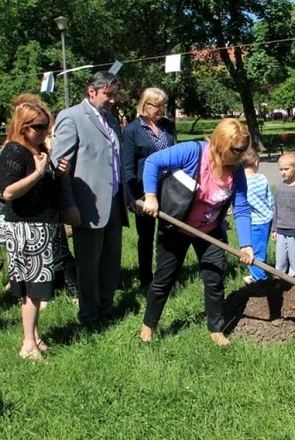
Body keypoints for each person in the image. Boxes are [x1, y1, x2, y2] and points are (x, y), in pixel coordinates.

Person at [139, 118, 254, 347]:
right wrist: (150, 196)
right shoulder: (192, 152)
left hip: (210, 231)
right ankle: (147, 327)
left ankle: (216, 329)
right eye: (236, 150)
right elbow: (153, 162)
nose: (239, 156)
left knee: (214, 279)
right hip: (176, 226)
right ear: (221, 144)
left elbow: (241, 206)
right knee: (164, 279)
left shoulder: (237, 170)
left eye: (243, 151)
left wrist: (246, 244)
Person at [52, 72, 129, 328]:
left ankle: (105, 307)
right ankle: (89, 315)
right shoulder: (72, 117)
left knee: (110, 261)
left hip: (114, 203)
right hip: (87, 206)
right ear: (91, 91)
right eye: (108, 94)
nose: (112, 100)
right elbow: (60, 167)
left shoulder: (111, 120)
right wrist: (69, 204)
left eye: (114, 95)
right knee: (88, 266)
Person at [0, 100, 70, 360]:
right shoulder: (14, 152)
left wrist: (57, 173)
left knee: (38, 288)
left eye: (46, 127)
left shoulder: (38, 150)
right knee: (32, 289)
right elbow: (8, 191)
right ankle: (28, 344)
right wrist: (39, 173)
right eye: (39, 127)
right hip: (26, 228)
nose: (44, 132)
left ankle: (35, 336)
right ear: (24, 127)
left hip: (43, 226)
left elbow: (45, 186)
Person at [122, 87, 176, 291]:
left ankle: (166, 275)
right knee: (145, 237)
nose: (162, 110)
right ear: (145, 105)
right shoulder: (132, 131)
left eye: (164, 105)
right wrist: (133, 197)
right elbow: (127, 166)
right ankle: (146, 279)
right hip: (143, 191)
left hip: (169, 189)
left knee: (168, 235)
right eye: (157, 106)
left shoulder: (168, 126)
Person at [271, 153, 295, 278]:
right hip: (281, 229)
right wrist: (274, 229)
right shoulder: (279, 187)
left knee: (294, 258)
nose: (283, 172)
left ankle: (293, 281)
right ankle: (279, 280)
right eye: (281, 169)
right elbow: (275, 208)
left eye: (286, 169)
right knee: (280, 258)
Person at [241, 147, 273, 284]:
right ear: (256, 162)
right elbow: (270, 198)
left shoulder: (242, 183)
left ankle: (259, 279)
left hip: (254, 223)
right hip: (267, 219)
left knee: (255, 251)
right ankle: (259, 274)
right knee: (261, 247)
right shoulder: (262, 178)